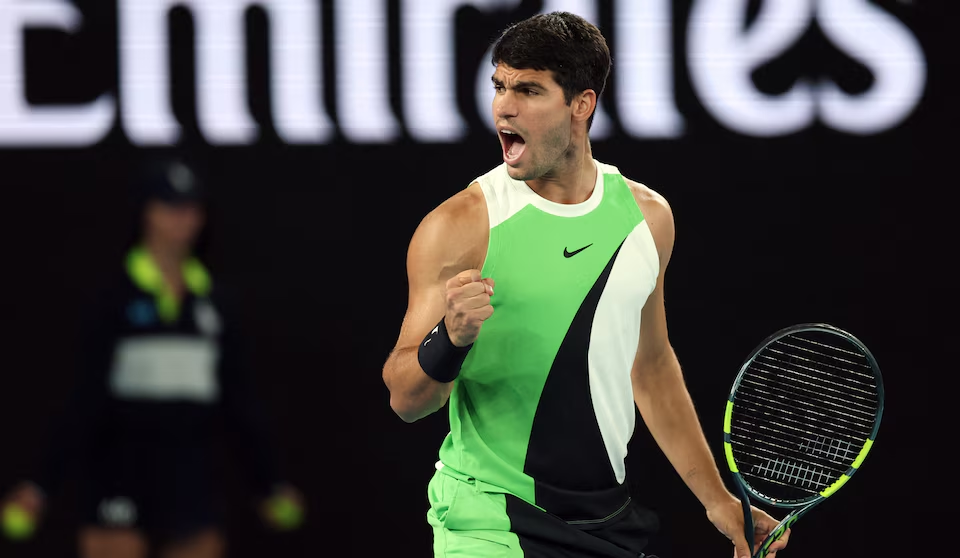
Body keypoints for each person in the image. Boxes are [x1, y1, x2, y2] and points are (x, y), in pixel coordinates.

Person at [382, 12, 791, 558]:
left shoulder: (647, 218)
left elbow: (651, 366)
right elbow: (406, 400)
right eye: (500, 86)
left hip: (607, 522)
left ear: (582, 104)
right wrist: (449, 338)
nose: (504, 107)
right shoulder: (459, 226)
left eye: (529, 90)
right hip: (490, 520)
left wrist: (717, 500)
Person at [1, 157, 304, 557]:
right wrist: (41, 485)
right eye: (171, 206)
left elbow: (239, 403)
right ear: (146, 212)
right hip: (120, 470)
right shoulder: (112, 297)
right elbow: (83, 400)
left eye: (192, 208)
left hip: (190, 474)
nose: (184, 219)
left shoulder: (216, 302)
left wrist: (269, 484)